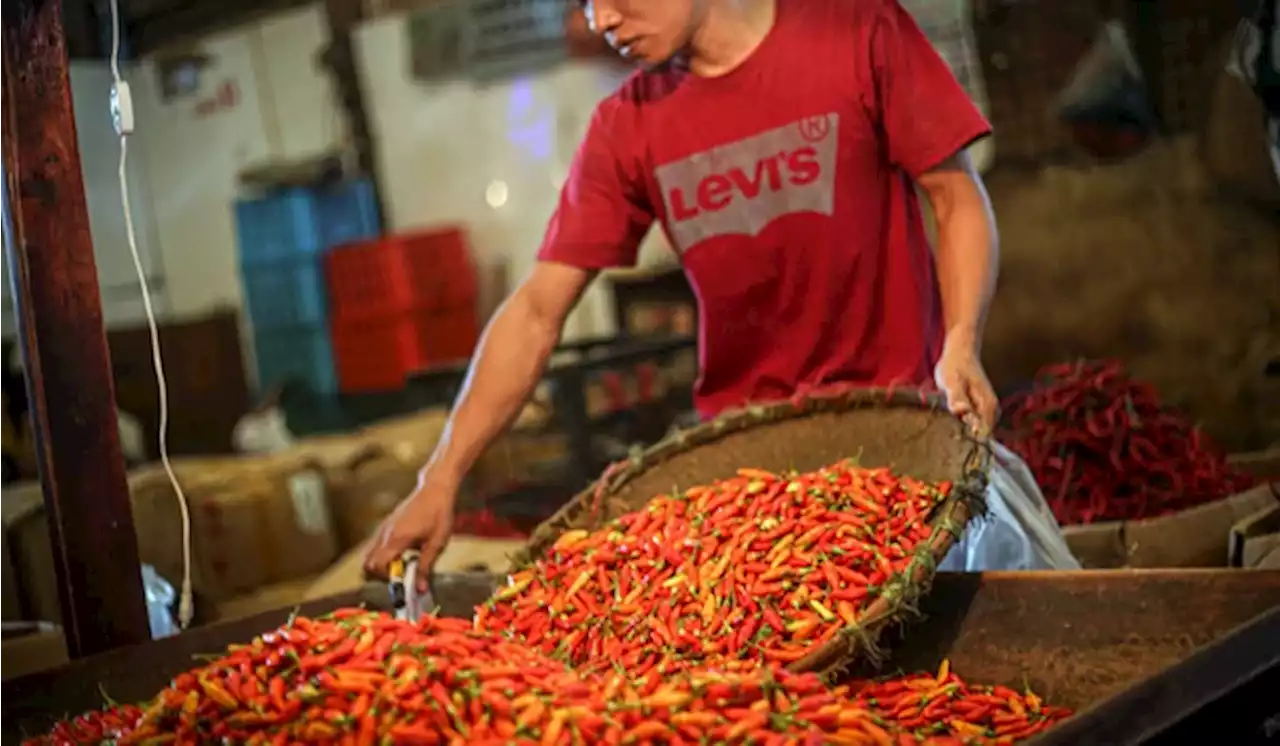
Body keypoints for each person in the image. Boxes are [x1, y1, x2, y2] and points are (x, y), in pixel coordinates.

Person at [366, 0, 1079, 580]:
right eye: (584, 2)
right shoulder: (628, 125)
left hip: (902, 438)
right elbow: (534, 312)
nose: (599, 19)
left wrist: (961, 341)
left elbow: (955, 197)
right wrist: (442, 475)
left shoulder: (857, 31)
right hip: (749, 471)